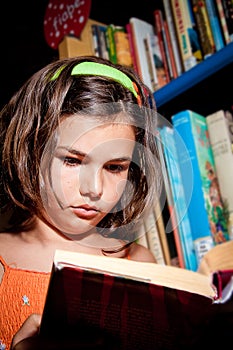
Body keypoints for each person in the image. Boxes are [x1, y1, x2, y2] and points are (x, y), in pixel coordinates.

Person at [0, 55, 162, 349]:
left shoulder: (140, 264)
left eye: (114, 167)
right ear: (31, 151)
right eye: (73, 161)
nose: (94, 189)